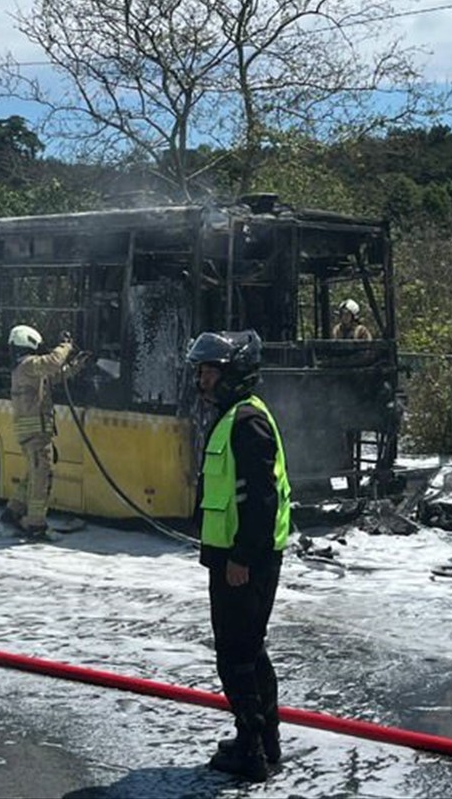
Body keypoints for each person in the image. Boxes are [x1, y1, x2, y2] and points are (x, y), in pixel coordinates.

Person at [187, 329, 291, 783]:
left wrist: (242, 558)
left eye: (210, 372)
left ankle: (252, 750)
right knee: (248, 648)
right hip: (233, 556)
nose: (203, 380)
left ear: (233, 375)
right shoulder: (235, 416)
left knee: (236, 656)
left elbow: (260, 500)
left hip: (243, 561)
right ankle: (264, 737)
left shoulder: (246, 422)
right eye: (202, 371)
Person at [0, 325, 76, 542]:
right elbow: (53, 362)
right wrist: (66, 345)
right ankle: (36, 526)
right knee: (42, 478)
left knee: (33, 475)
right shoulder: (28, 365)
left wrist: (77, 365)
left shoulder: (27, 369)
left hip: (33, 433)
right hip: (35, 434)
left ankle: (11, 515)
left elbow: (54, 375)